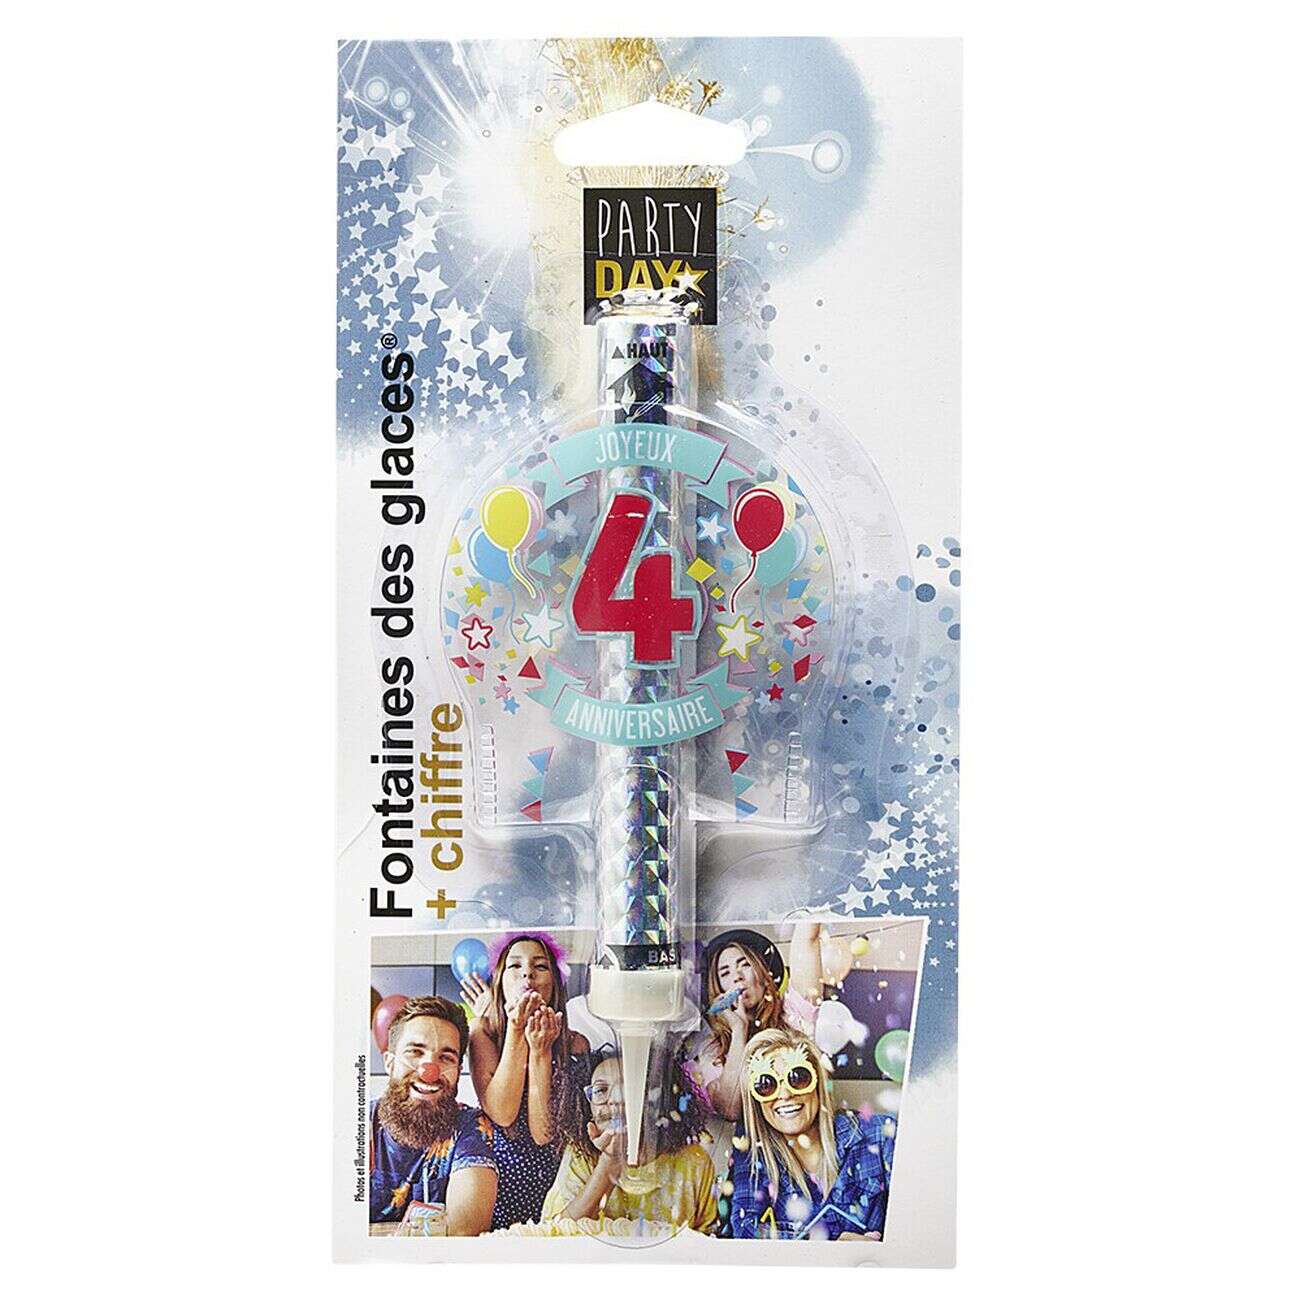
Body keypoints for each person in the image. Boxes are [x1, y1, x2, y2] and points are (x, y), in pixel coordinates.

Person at [461, 933, 590, 1229]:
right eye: (515, 966)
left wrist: (541, 1051)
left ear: (555, 983)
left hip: (556, 1182)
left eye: (540, 966)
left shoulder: (576, 1044)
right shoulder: (482, 1032)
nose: (527, 973)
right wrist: (516, 1030)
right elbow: (502, 1113)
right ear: (500, 982)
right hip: (498, 1180)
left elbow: (544, 1133)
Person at [727, 1027, 894, 1241]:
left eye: (797, 1078)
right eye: (766, 1084)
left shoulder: (880, 1134)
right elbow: (745, 1229)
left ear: (818, 1084)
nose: (785, 1094)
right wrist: (829, 1245)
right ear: (755, 1099)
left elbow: (917, 1212)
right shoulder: (752, 1154)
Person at [541, 1048, 718, 1232]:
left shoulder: (694, 1162)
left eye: (627, 1089)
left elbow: (708, 1241)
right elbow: (555, 1235)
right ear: (589, 1110)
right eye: (600, 1090)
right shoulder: (581, 1155)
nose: (614, 1100)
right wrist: (609, 1163)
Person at [369, 995, 498, 1234]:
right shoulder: (359, 1124)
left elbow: (464, 1234)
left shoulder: (470, 1128)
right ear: (389, 1062)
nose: (429, 1071)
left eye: (446, 1057)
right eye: (415, 1052)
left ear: (458, 1071)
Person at [685, 922, 826, 1120]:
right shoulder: (712, 1049)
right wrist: (738, 1029)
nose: (737, 977)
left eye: (745, 965)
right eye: (725, 973)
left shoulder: (792, 1015)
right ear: (718, 990)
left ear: (763, 974)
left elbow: (807, 939)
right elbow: (730, 1109)